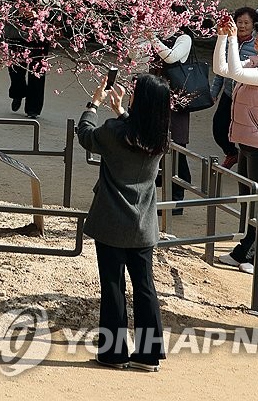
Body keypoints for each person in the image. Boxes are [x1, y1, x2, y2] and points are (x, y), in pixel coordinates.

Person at [76, 73, 170, 372]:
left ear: (138, 101)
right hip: (143, 223)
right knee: (144, 287)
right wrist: (120, 111)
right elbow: (136, 130)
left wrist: (93, 103)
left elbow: (86, 136)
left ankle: (114, 353)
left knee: (113, 285)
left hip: (111, 221)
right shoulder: (159, 135)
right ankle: (149, 354)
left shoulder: (115, 132)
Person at [212, 15, 258, 275]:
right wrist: (223, 36)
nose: (256, 38)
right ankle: (246, 248)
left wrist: (232, 37)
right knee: (248, 199)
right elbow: (223, 70)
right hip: (246, 140)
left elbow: (237, 73)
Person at [146, 27, 192, 214]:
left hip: (176, 103)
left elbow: (170, 57)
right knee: (155, 147)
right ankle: (158, 197)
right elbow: (135, 55)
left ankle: (177, 201)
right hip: (156, 100)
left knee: (176, 150)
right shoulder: (155, 36)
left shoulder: (184, 38)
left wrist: (152, 37)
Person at [211, 7, 258, 169]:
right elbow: (220, 69)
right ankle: (232, 153)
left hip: (246, 97)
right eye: (239, 22)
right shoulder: (229, 40)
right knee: (219, 128)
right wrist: (214, 92)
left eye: (246, 23)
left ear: (254, 25)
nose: (243, 26)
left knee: (245, 133)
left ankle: (247, 163)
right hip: (228, 94)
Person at [5, 0, 49, 118]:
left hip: (39, 34)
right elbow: (2, 1)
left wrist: (40, 14)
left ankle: (33, 109)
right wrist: (18, 10)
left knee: (37, 72)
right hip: (16, 32)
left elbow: (57, 6)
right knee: (15, 69)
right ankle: (18, 93)